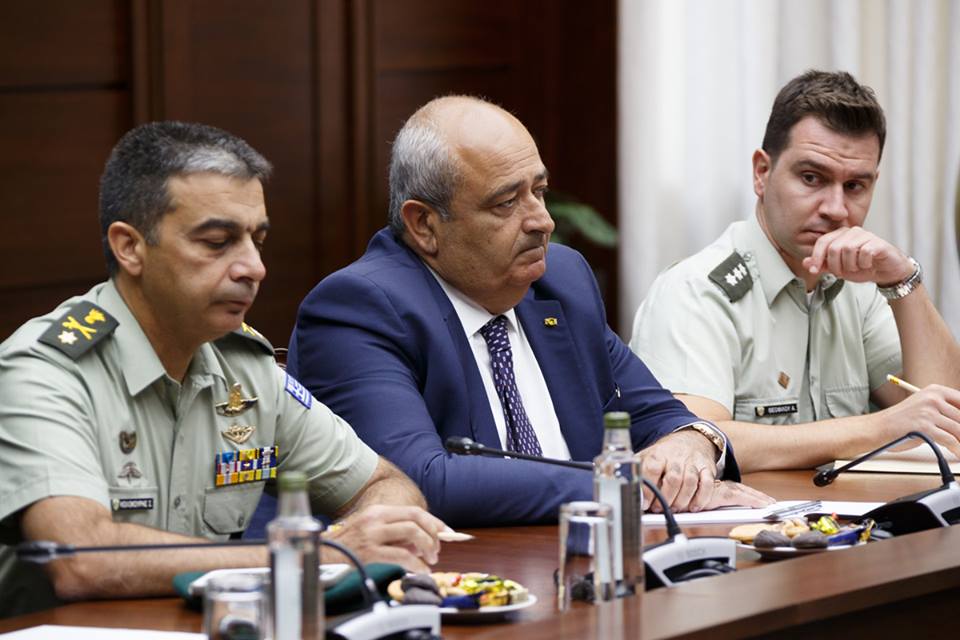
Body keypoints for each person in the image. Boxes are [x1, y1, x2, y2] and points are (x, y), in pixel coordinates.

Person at [0, 121, 445, 617]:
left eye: (257, 240)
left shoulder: (243, 368)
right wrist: (315, 556)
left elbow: (384, 484)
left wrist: (373, 534)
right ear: (130, 247)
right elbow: (77, 558)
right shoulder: (46, 372)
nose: (253, 267)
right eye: (217, 242)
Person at [287, 96, 772, 527]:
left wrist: (691, 443)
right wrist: (622, 487)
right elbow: (419, 481)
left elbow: (658, 414)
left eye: (538, 191)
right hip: (459, 582)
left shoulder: (560, 281)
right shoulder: (360, 309)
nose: (543, 221)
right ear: (424, 225)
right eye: (506, 203)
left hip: (589, 562)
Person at [631, 70, 960, 472]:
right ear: (762, 173)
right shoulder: (696, 291)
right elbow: (696, 441)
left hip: (854, 512)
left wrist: (903, 282)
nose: (836, 209)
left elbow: (948, 422)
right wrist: (879, 428)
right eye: (811, 178)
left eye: (855, 186)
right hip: (746, 514)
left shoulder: (861, 289)